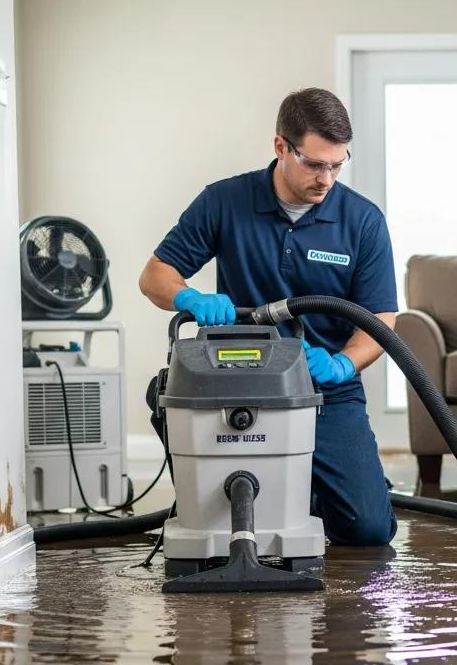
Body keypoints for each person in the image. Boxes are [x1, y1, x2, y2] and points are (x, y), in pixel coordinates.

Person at [138, 87, 398, 546]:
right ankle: (221, 495)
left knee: (369, 529)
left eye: (338, 164)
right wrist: (190, 299)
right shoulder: (224, 202)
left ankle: (316, 489)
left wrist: (343, 364)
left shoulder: (362, 221)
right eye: (315, 164)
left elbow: (380, 320)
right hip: (234, 382)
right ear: (281, 147)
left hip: (324, 391)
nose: (327, 178)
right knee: (215, 511)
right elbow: (155, 277)